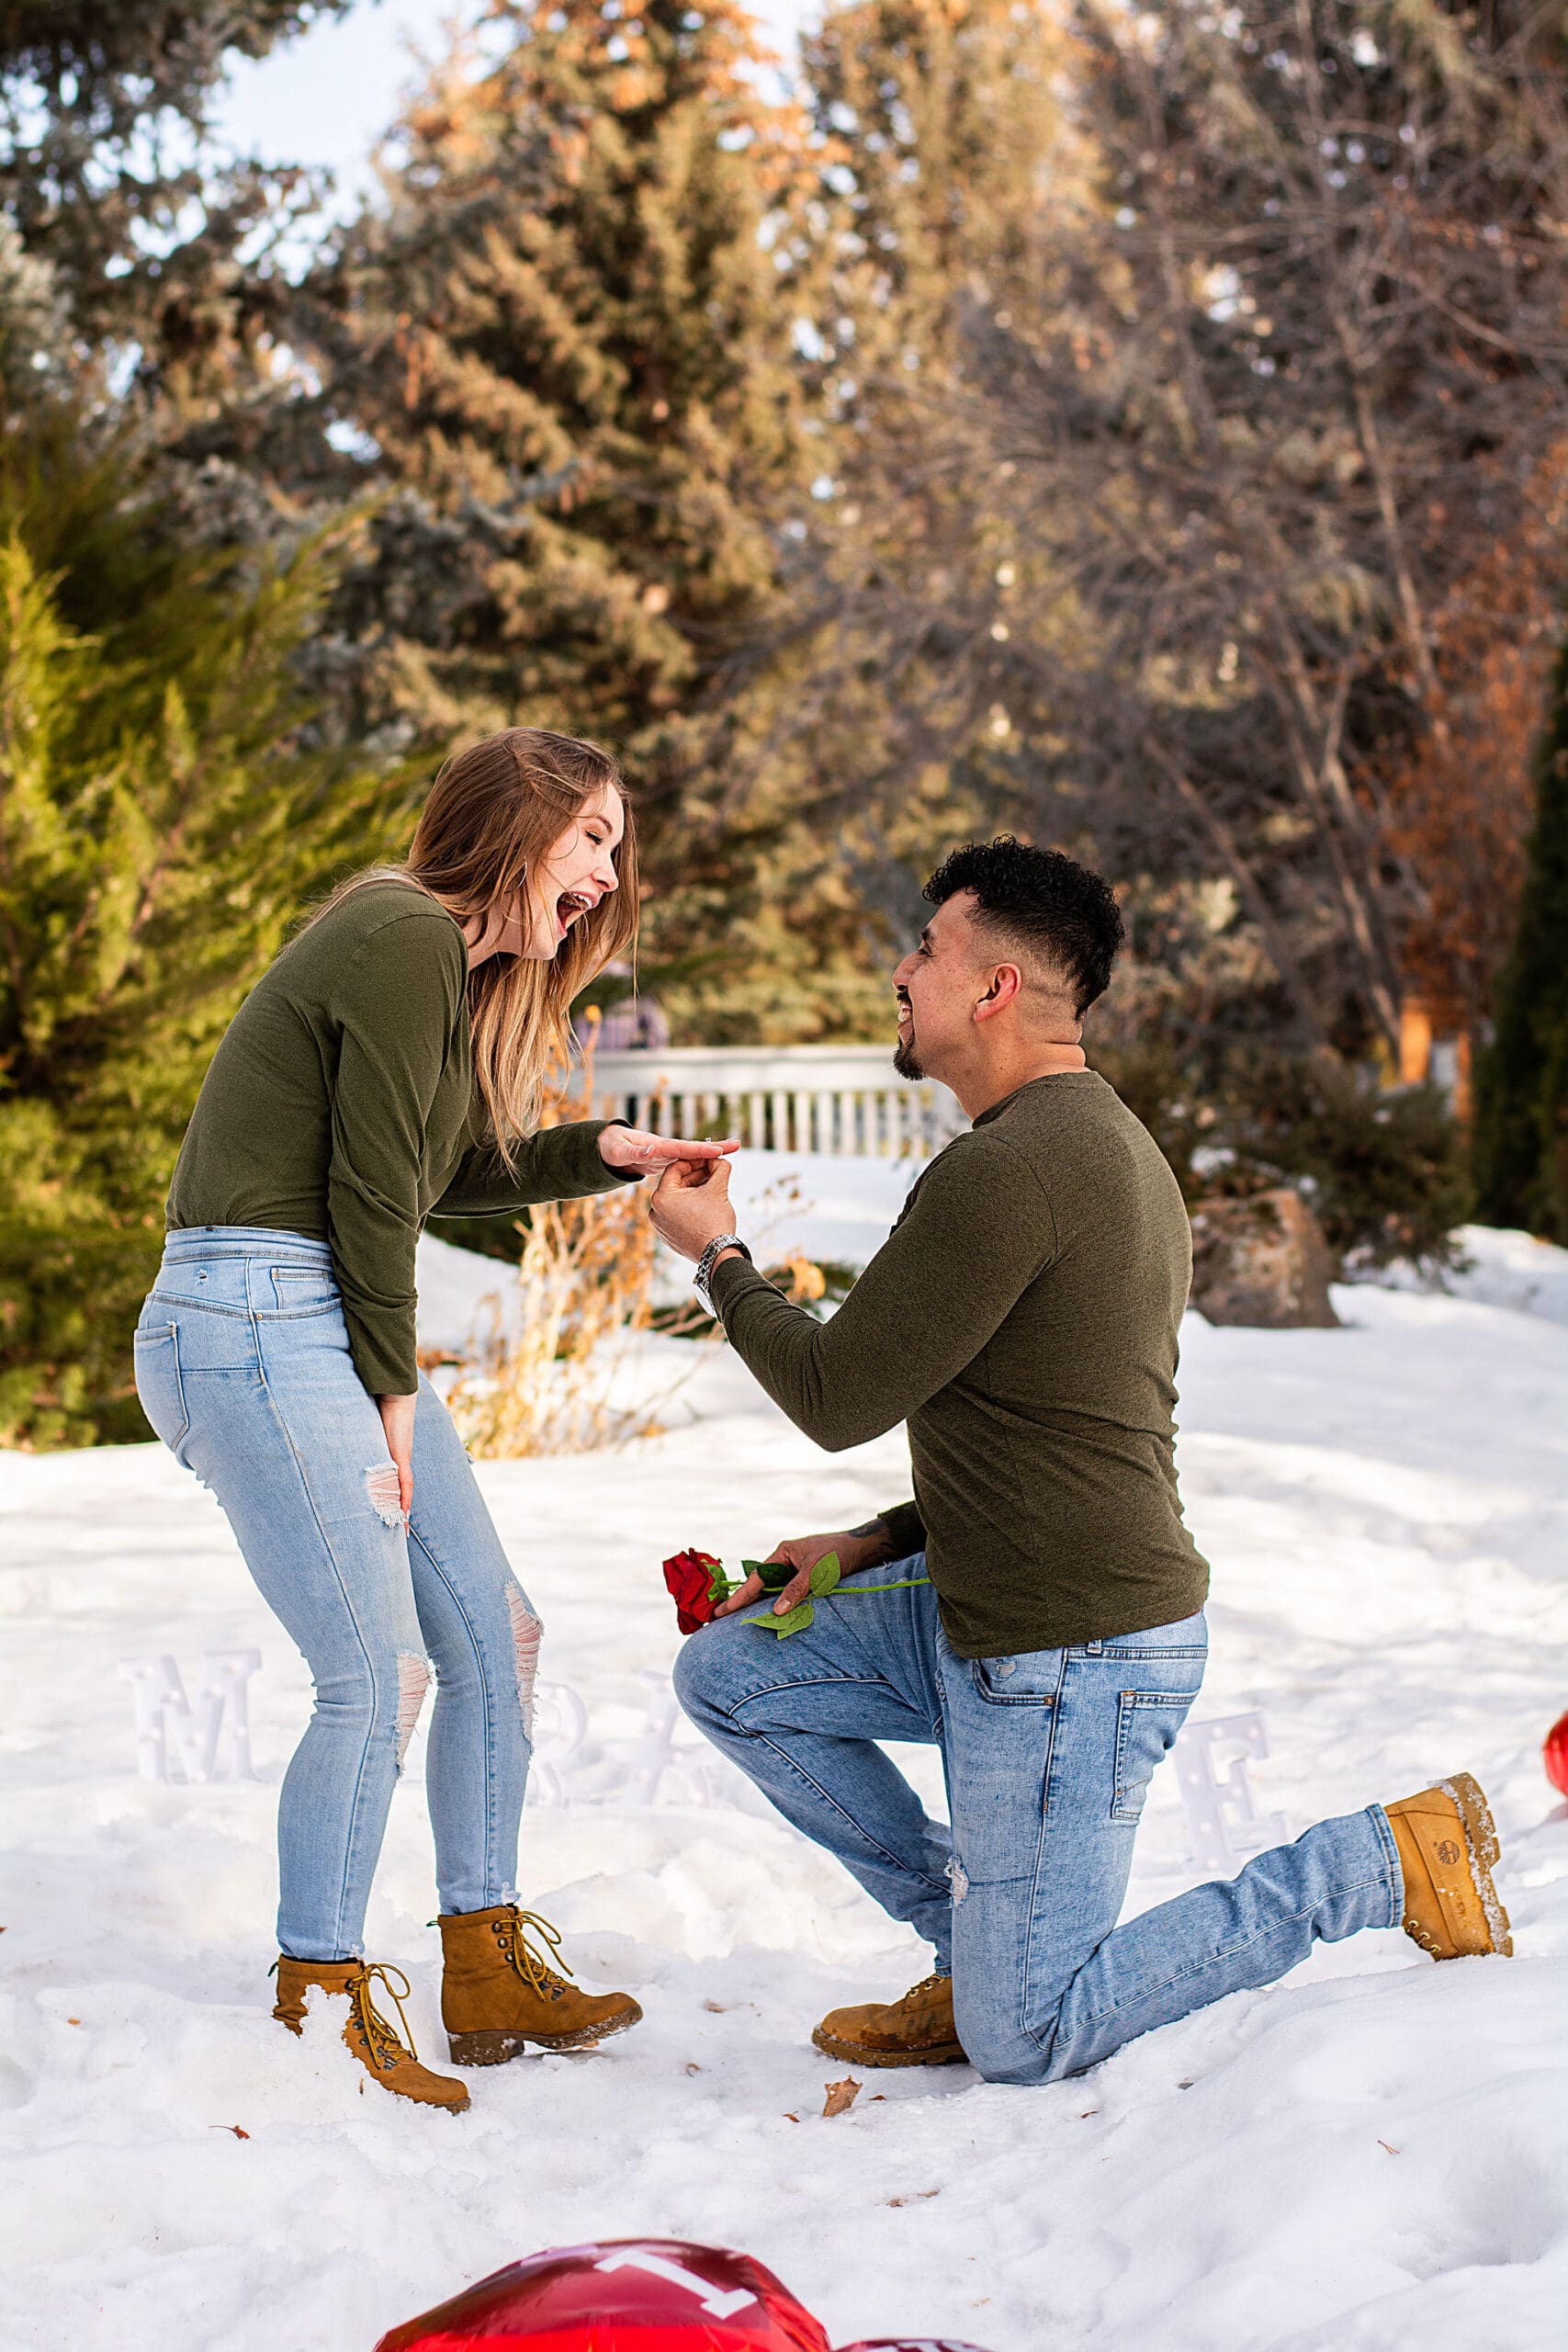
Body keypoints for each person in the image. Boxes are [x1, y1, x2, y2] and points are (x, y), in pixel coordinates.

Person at [651, 836, 1511, 2086]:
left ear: (993, 988)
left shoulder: (1010, 1172)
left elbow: (837, 1397)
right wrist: (868, 1544)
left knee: (1031, 2037)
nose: (904, 973)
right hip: (989, 1617)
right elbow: (1037, 1428)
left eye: (929, 950)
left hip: (1072, 1658)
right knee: (735, 1672)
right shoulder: (1086, 1143)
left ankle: (1380, 1861)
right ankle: (983, 1944)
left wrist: (718, 1259)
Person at [135, 727, 736, 2112]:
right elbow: (363, 1203)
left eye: (614, 847)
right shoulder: (400, 928)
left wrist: (610, 1156)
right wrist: (394, 1394)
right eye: (593, 834)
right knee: (377, 1672)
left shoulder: (436, 968)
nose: (607, 869)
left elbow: (440, 1166)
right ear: (518, 823)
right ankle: (320, 2005)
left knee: (495, 1635)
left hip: (295, 1314)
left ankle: (481, 1958)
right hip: (249, 1313)